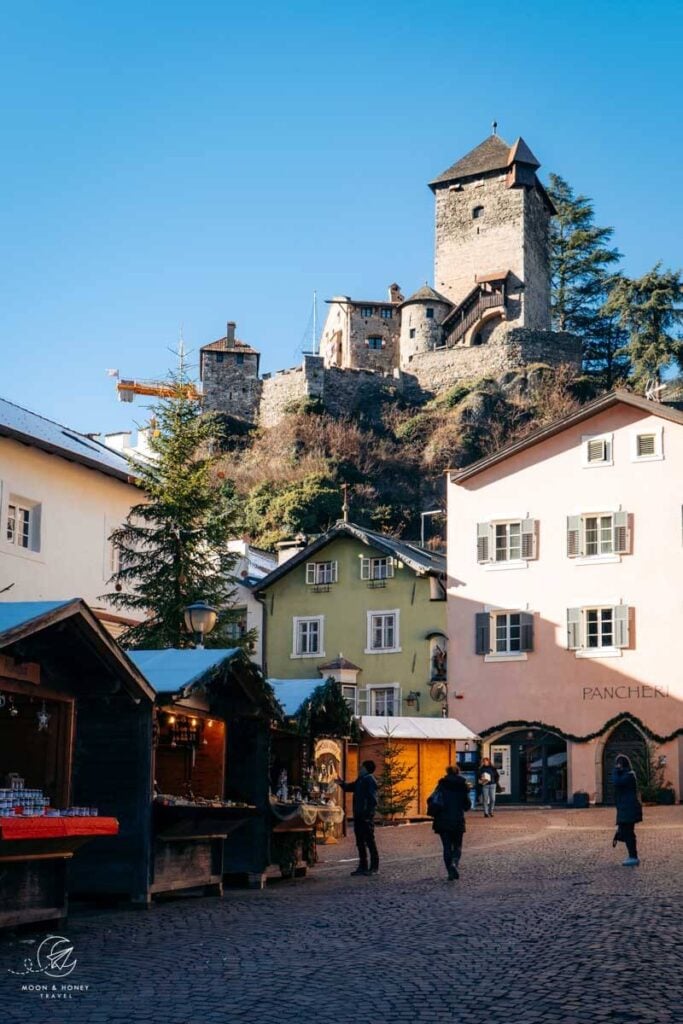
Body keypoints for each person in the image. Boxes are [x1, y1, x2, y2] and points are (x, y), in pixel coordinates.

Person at [337, 760, 379, 876]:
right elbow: (349, 787)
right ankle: (363, 866)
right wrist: (341, 783)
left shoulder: (370, 780)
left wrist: (368, 814)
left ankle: (374, 867)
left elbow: (373, 799)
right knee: (360, 841)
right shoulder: (361, 780)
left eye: (362, 767)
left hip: (365, 816)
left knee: (370, 841)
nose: (359, 769)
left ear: (366, 769)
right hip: (359, 815)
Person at [429, 765, 471, 880]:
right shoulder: (462, 786)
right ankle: (454, 863)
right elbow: (467, 805)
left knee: (446, 847)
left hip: (442, 820)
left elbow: (432, 799)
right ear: (458, 772)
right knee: (457, 846)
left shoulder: (441, 785)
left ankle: (450, 871)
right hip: (457, 819)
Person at [613, 754, 642, 866]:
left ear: (621, 764)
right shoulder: (627, 774)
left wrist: (615, 771)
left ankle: (633, 857)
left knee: (628, 833)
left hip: (628, 808)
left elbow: (616, 782)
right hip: (626, 808)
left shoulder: (629, 775)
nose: (616, 766)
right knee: (627, 832)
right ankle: (632, 856)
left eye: (617, 764)